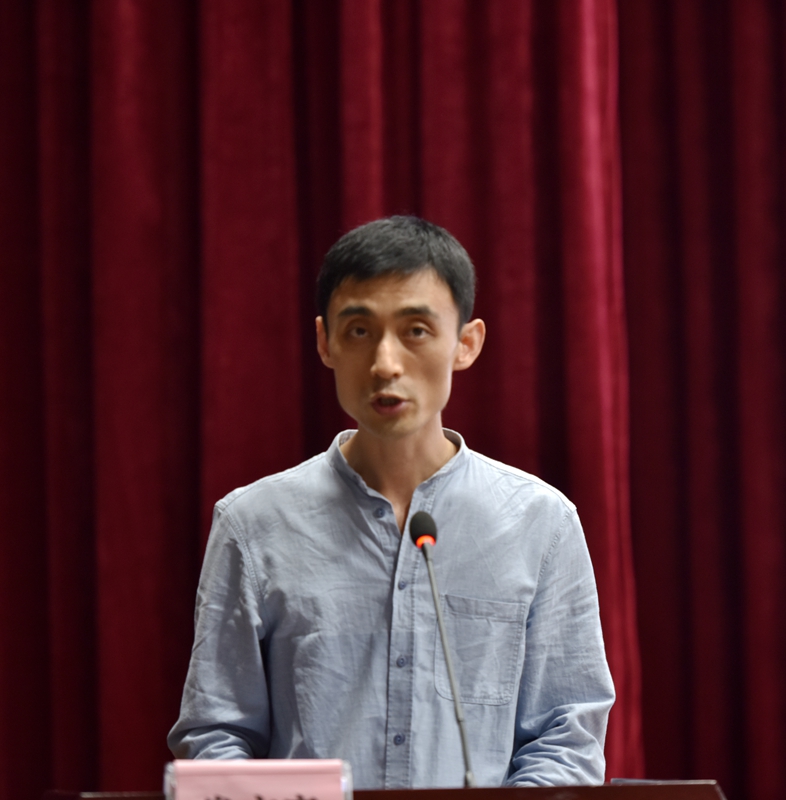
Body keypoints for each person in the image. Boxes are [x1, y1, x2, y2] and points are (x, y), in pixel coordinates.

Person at [168, 216, 615, 789]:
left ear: (466, 343)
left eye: (416, 330)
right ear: (325, 342)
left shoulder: (541, 523)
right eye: (359, 330)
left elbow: (565, 740)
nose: (385, 363)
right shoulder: (252, 524)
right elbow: (216, 737)